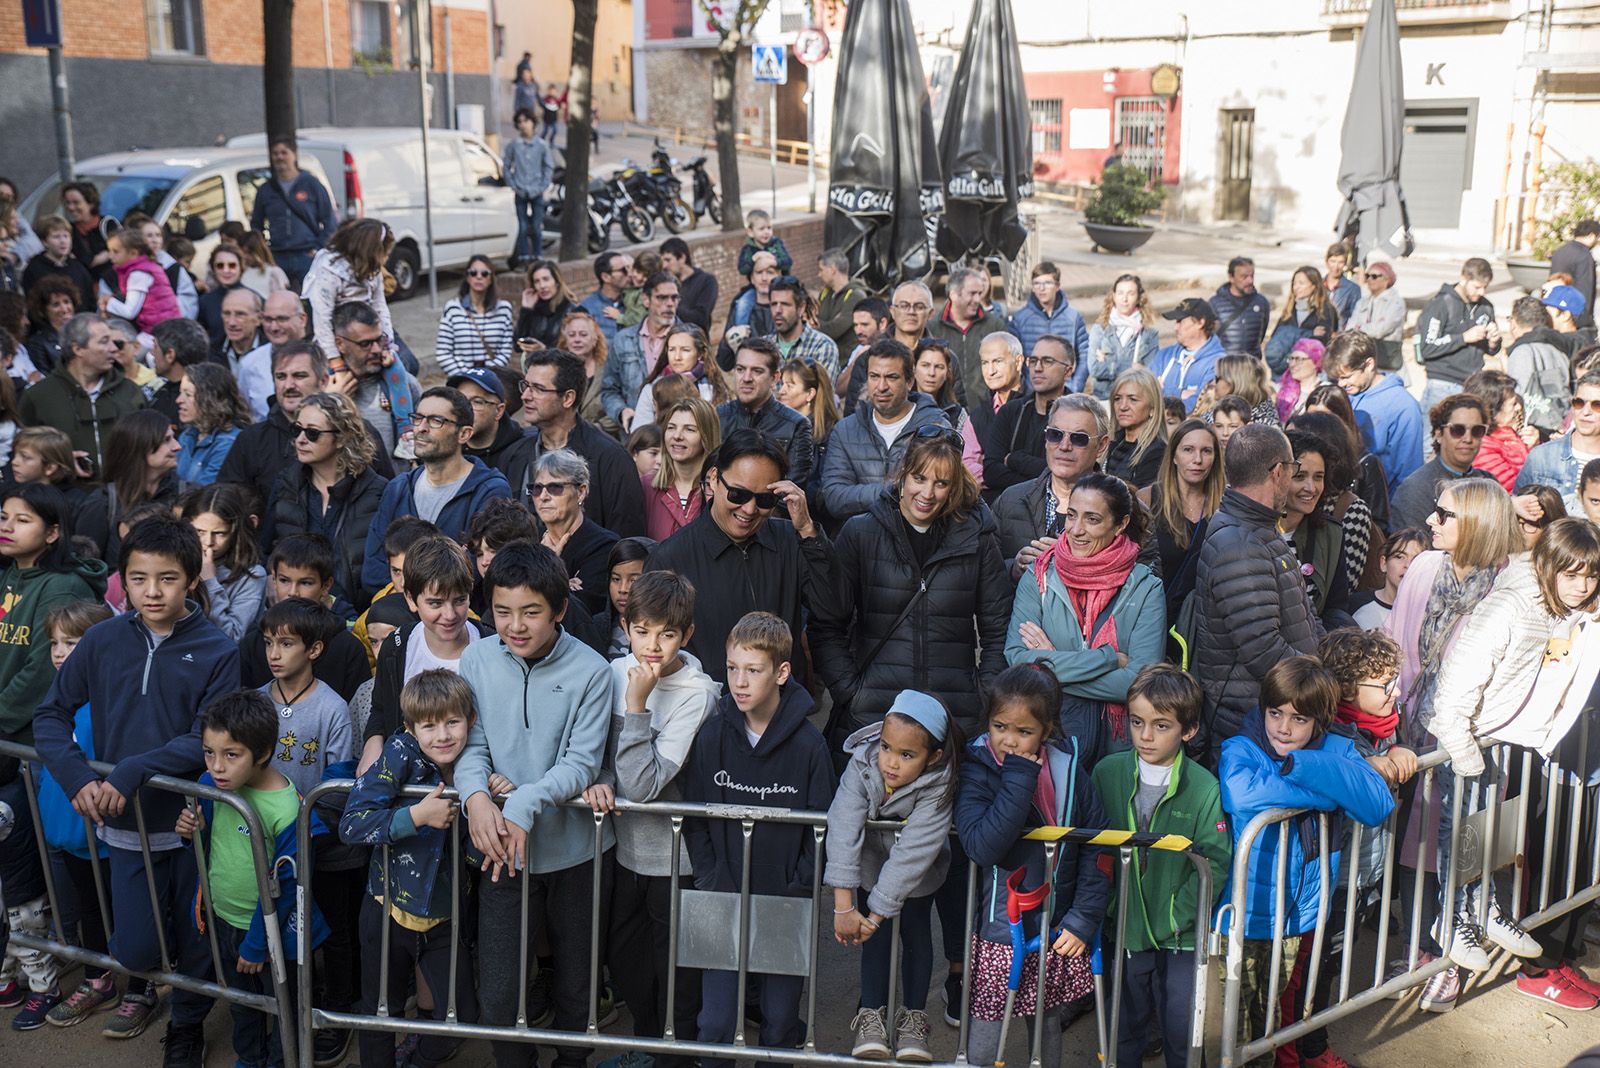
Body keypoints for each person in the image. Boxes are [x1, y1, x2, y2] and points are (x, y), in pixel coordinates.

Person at [32, 514, 239, 1061]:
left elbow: (206, 738)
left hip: (194, 825)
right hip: (125, 830)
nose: (153, 590)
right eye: (140, 577)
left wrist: (129, 771)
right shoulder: (101, 639)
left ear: (192, 579)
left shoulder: (218, 649)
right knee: (138, 950)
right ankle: (144, 988)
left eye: (168, 578)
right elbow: (50, 715)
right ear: (123, 579)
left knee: (198, 944)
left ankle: (188, 1026)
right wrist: (77, 777)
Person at [455, 539, 614, 1068]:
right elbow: (469, 746)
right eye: (502, 611)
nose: (515, 625)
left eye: (530, 612)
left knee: (577, 983)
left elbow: (581, 763)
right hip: (502, 850)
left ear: (559, 610)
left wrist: (520, 803)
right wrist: (475, 797)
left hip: (577, 853)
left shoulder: (592, 670)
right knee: (500, 986)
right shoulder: (476, 657)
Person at [1424, 519, 1600, 987]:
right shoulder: (1512, 603)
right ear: (1548, 566)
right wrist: (1461, 746)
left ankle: (1486, 909)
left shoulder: (1564, 605)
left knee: (1492, 833)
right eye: (1572, 574)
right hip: (1464, 732)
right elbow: (1459, 677)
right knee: (1459, 831)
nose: (1582, 587)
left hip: (1502, 737)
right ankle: (1450, 918)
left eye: (1591, 575)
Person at [1383, 477, 1520, 1010]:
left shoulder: (1511, 586)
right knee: (1414, 851)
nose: (1432, 522)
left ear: (1479, 525)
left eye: (1444, 515)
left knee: (1465, 852)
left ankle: (1451, 961)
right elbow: (1394, 642)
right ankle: (1422, 947)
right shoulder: (1422, 567)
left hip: (1475, 744)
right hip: (1413, 731)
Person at [1217, 657, 1394, 1052]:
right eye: (1275, 713)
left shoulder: (1338, 747)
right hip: (1244, 914)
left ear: (1320, 720)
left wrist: (1303, 766)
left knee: (1269, 1025)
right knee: (1232, 1027)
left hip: (1298, 914)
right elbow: (1242, 793)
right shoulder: (1241, 747)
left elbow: (1376, 803)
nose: (1283, 727)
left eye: (1299, 719)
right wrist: (1330, 791)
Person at [680, 611, 832, 1068]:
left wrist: (799, 885)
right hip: (721, 897)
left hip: (786, 901)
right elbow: (695, 816)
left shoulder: (809, 746)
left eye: (753, 669)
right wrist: (710, 879)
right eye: (732, 668)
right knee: (715, 1022)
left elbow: (822, 829)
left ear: (782, 672)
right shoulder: (712, 735)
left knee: (780, 1022)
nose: (739, 681)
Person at [577, 570, 718, 1061]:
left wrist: (636, 705)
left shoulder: (697, 692)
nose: (653, 646)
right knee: (627, 959)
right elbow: (594, 754)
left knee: (675, 970)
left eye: (667, 634)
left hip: (675, 860)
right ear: (626, 625)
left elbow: (642, 783)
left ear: (687, 634)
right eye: (642, 631)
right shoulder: (612, 673)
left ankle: (673, 1056)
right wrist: (599, 778)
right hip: (623, 850)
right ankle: (649, 1046)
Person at [954, 664, 1107, 1066]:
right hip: (998, 933)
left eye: (1024, 732)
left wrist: (1083, 917)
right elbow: (984, 846)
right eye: (1000, 726)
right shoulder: (977, 768)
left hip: (1056, 930)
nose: (1008, 740)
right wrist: (1019, 775)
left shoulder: (1069, 770)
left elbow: (1100, 847)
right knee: (984, 1045)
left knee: (1046, 1031)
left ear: (1047, 730)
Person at [812, 430, 1010, 741]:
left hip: (952, 717)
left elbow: (998, 628)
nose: (927, 493)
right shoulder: (861, 532)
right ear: (903, 475)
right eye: (920, 478)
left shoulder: (977, 539)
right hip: (874, 715)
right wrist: (849, 692)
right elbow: (827, 622)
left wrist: (983, 696)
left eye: (941, 483)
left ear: (953, 487)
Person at [172, 690, 326, 1068]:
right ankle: (250, 1060)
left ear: (263, 753)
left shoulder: (286, 807)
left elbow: (289, 885)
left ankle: (279, 1061)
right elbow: (206, 841)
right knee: (243, 1005)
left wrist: (258, 944)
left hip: (273, 933)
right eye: (209, 752)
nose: (217, 766)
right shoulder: (210, 785)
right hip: (225, 919)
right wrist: (188, 830)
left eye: (231, 754)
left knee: (283, 1007)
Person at [339, 669, 483, 1068]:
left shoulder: (477, 761)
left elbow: (475, 856)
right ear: (409, 727)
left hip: (446, 917)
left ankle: (418, 1061)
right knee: (379, 1012)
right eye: (429, 725)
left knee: (463, 1016)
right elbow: (351, 823)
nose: (442, 736)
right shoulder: (400, 752)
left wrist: (489, 802)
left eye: (452, 722)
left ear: (470, 720)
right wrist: (416, 815)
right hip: (386, 911)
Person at [1091, 665, 1229, 1068]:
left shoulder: (1204, 787)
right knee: (1125, 1026)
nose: (1145, 735)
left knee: (1182, 1029)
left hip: (1182, 936)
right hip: (1126, 928)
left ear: (1188, 731)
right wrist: (1112, 906)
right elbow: (1094, 853)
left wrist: (1176, 916)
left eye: (1161, 725)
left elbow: (1214, 862)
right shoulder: (1106, 773)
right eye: (1137, 722)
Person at [827, 690, 959, 1062]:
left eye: (906, 755)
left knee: (916, 936)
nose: (891, 763)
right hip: (869, 869)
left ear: (932, 757)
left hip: (917, 878)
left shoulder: (939, 783)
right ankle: (871, 1016)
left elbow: (912, 853)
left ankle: (914, 1020)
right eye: (886, 748)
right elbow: (842, 826)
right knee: (876, 943)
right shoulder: (862, 763)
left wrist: (875, 913)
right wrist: (844, 905)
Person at [645, 431, 833, 684]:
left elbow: (834, 608)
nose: (749, 509)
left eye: (765, 500)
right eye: (738, 494)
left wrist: (809, 532)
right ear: (713, 479)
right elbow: (653, 647)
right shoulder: (669, 558)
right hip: (707, 711)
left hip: (783, 706)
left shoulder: (792, 541)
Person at [1007, 471, 1168, 764]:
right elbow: (1017, 660)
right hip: (1048, 743)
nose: (1076, 529)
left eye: (1092, 519)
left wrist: (1050, 664)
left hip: (1118, 752)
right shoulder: (1039, 575)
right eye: (1072, 515)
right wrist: (1107, 659)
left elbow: (1140, 683)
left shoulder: (1145, 587)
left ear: (1120, 525)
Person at [1193, 424, 1324, 754]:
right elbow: (1264, 650)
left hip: (1275, 715)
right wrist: (1323, 686)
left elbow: (1303, 617)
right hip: (1254, 725)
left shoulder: (1257, 529)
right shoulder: (1240, 543)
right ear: (1278, 472)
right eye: (1294, 469)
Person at [219, 339, 395, 522]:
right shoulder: (251, 440)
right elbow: (227, 506)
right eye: (281, 377)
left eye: (299, 376)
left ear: (323, 380)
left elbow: (388, 499)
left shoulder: (358, 432)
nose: (288, 386)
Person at [361, 387, 511, 593]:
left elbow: (482, 571)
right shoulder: (397, 489)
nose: (421, 428)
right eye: (418, 418)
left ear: (464, 433)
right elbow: (373, 570)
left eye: (435, 421)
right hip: (397, 616)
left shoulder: (489, 491)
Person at [0, 483, 107, 746]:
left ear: (52, 533)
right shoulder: (12, 573)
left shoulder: (63, 587)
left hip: (29, 733)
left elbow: (43, 669)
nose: (7, 527)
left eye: (22, 520)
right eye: (3, 517)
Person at [269, 390, 390, 610]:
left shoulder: (379, 492)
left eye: (313, 433)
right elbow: (266, 548)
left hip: (357, 617)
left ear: (342, 438)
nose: (301, 440)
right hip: (296, 614)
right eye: (297, 430)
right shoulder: (286, 485)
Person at [505, 350, 646, 537]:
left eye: (538, 389)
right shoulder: (515, 454)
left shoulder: (610, 459)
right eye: (526, 386)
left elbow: (626, 539)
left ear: (568, 398)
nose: (525, 396)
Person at [821, 339, 952, 522]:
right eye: (874, 376)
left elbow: (944, 492)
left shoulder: (936, 428)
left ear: (909, 381)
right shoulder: (845, 430)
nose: (881, 387)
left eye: (891, 377)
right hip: (859, 539)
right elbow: (835, 498)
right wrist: (894, 489)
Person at [995, 394, 1110, 577]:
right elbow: (985, 575)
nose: (1064, 446)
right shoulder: (1010, 500)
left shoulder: (1124, 507)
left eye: (1078, 438)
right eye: (1055, 435)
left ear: (1101, 445)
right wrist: (1014, 568)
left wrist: (1077, 565)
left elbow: (1145, 583)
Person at [20, 312, 145, 476]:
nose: (114, 348)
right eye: (104, 341)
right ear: (77, 349)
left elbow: (149, 443)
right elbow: (23, 452)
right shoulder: (39, 397)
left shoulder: (131, 391)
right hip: (65, 495)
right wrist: (57, 460)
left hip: (127, 494)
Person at [1140, 418, 1224, 623]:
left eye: (1206, 451)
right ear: (1174, 456)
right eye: (1188, 449)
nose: (1198, 459)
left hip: (1207, 624)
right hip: (1155, 619)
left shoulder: (1225, 506)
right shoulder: (1146, 500)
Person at [1324, 330, 1425, 496]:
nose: (1341, 384)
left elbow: (1409, 471)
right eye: (1337, 379)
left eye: (1347, 377)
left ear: (1369, 364)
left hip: (1380, 505)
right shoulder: (1348, 393)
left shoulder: (1403, 406)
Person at [1278, 428, 1355, 628]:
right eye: (1300, 476)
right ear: (1278, 476)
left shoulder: (1330, 534)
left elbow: (1335, 608)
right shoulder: (1254, 530)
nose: (1311, 488)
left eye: (1318, 477)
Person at [329, 301, 421, 464]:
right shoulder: (325, 389)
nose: (377, 349)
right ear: (340, 344)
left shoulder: (406, 386)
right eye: (365, 344)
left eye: (379, 340)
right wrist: (331, 405)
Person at [529, 448, 618, 618]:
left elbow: (583, 610)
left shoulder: (604, 546)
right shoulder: (528, 540)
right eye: (537, 488)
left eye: (555, 487)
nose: (543, 496)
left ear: (581, 492)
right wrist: (564, 585)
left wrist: (546, 571)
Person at [716, 336, 814, 485]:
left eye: (757, 371)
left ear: (774, 378)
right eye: (740, 369)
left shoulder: (796, 426)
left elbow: (792, 490)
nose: (746, 378)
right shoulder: (716, 418)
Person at [1390, 393, 1495, 532]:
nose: (1468, 438)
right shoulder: (1415, 489)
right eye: (1457, 430)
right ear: (1439, 434)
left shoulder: (1489, 483)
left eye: (1477, 430)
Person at [985, 335, 1074, 496]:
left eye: (1047, 361)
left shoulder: (1078, 416)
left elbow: (1067, 472)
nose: (1038, 368)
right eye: (1033, 361)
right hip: (1009, 508)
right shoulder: (1011, 411)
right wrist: (1040, 477)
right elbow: (991, 472)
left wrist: (1015, 459)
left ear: (1068, 371)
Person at [179, 483, 268, 641]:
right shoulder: (175, 560)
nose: (208, 542)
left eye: (219, 533)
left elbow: (232, 637)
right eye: (199, 531)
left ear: (235, 532)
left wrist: (210, 582)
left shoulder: (252, 575)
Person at [303, 219, 395, 366]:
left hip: (368, 335)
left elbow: (380, 308)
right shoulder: (329, 272)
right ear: (373, 251)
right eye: (386, 253)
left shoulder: (373, 271)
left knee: (400, 369)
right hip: (337, 342)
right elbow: (322, 319)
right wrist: (335, 360)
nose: (386, 259)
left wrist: (387, 346)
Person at [250, 138, 339, 289]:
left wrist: (318, 248)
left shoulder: (311, 184)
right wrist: (263, 250)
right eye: (275, 153)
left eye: (284, 152)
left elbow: (330, 221)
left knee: (313, 300)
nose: (280, 157)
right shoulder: (266, 189)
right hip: (277, 256)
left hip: (307, 254)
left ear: (294, 155)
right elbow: (256, 224)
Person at [1418, 257, 1502, 408]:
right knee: (1432, 431)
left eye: (1485, 287)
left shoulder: (1486, 307)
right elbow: (1427, 347)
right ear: (1464, 279)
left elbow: (1491, 351)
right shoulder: (1441, 303)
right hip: (1442, 382)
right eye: (1477, 287)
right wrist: (1463, 338)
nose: (1481, 292)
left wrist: (1493, 342)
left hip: (1471, 385)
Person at [605, 271, 681, 432]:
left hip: (677, 434)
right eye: (661, 298)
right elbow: (609, 389)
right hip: (636, 436)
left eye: (674, 298)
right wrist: (621, 411)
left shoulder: (689, 339)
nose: (669, 304)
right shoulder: (623, 340)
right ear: (646, 300)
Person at [927, 266, 1010, 405]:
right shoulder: (932, 328)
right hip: (945, 411)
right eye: (972, 293)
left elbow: (1008, 370)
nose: (978, 299)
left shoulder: (995, 327)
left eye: (979, 293)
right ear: (953, 294)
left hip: (985, 411)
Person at [1519, 371, 1600, 506]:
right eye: (1579, 403)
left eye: (1597, 405)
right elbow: (1518, 510)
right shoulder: (1542, 457)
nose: (1585, 412)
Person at [644, 396, 718, 542]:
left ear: (706, 436)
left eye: (689, 429)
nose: (677, 436)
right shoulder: (645, 486)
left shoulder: (720, 490)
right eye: (671, 428)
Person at [634, 324, 728, 428]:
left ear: (700, 353)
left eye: (685, 350)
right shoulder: (652, 389)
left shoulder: (715, 389)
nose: (677, 357)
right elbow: (640, 434)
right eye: (672, 349)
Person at [1505, 293, 1573, 435]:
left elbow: (1518, 396)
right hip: (1559, 427)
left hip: (1530, 431)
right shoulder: (1558, 351)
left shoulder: (1522, 352)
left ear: (1514, 323)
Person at [174, 363, 251, 487]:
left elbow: (204, 493)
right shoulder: (187, 435)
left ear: (211, 399)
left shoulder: (229, 442)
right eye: (180, 393)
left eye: (188, 395)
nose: (179, 400)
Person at [437, 254, 516, 375]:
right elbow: (443, 352)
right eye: (473, 273)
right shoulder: (453, 308)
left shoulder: (503, 309)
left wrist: (486, 376)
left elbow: (505, 350)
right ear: (467, 277)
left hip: (492, 378)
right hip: (460, 379)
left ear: (491, 278)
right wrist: (466, 377)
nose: (479, 277)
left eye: (484, 273)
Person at [237, 289, 309, 420]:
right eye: (268, 320)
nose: (274, 327)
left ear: (302, 319)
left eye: (282, 319)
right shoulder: (249, 364)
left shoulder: (326, 357)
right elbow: (245, 416)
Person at [1086, 273, 1159, 401]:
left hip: (1135, 400)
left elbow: (1150, 373)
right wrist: (1132, 367)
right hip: (1104, 398)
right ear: (1113, 296)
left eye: (1130, 294)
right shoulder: (1100, 330)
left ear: (1138, 298)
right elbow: (1094, 368)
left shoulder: (1148, 334)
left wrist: (1109, 364)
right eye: (1120, 293)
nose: (1124, 299)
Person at [1147, 297, 1224, 413]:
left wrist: (1162, 391)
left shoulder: (1218, 362)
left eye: (1180, 321)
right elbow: (1145, 393)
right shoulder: (1164, 356)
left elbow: (1202, 404)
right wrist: (1182, 393)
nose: (1175, 327)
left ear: (1200, 322)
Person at [504, 108, 556, 267]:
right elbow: (506, 166)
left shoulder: (541, 145)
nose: (522, 125)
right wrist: (513, 185)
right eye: (519, 122)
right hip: (520, 190)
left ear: (533, 123)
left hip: (536, 190)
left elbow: (548, 167)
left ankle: (538, 256)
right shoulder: (514, 145)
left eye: (525, 121)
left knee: (536, 226)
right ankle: (524, 257)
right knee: (522, 226)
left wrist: (542, 186)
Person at [450, 366, 525, 476]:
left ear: (499, 410)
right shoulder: (445, 446)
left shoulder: (522, 451)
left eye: (477, 402)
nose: (466, 409)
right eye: (460, 400)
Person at [1264, 265, 1339, 375]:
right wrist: (1308, 333)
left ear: (1313, 286)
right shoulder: (1289, 310)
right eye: (1294, 283)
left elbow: (1319, 342)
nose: (1296, 287)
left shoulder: (1325, 310)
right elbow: (1277, 339)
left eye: (1301, 283)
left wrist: (1291, 336)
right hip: (1284, 369)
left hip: (1310, 371)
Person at [1470, 371, 1536, 491]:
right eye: (1513, 404)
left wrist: (1535, 448)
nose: (1518, 407)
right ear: (1492, 410)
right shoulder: (1483, 448)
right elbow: (1513, 490)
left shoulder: (1508, 436)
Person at [1351, 527, 1426, 631]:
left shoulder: (1427, 614)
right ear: (1384, 563)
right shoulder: (1355, 604)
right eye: (1399, 557)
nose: (1407, 565)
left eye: (1416, 559)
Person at [1104, 367, 1166, 488]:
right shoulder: (1112, 443)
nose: (1122, 406)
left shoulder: (1158, 452)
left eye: (1133, 399)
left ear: (1153, 407)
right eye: (1117, 399)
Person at [22, 216, 95, 310]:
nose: (63, 241)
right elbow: (33, 305)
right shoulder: (34, 269)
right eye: (56, 237)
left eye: (66, 236)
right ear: (45, 242)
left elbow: (90, 300)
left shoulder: (78, 267)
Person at [1346, 260, 1406, 369]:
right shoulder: (1363, 301)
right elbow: (1349, 327)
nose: (1369, 279)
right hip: (1363, 359)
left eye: (1374, 276)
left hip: (1386, 361)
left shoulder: (1396, 303)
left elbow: (1380, 330)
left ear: (1386, 280)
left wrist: (1359, 328)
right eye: (1367, 276)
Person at [1210, 256, 1273, 358]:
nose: (1250, 281)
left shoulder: (1261, 302)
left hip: (1252, 367)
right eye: (1244, 277)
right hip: (1225, 367)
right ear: (1231, 277)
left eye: (1252, 276)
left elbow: (1261, 334)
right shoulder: (1215, 304)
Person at [22, 274, 78, 378]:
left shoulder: (85, 332)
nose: (64, 309)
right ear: (43, 311)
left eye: (67, 302)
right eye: (56, 304)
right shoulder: (38, 343)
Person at [515, 259, 578, 350]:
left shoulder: (572, 310)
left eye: (546, 279)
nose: (542, 286)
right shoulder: (534, 309)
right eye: (537, 281)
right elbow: (517, 347)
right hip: (535, 363)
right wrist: (526, 309)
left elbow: (576, 349)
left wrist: (544, 349)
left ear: (556, 282)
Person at [661, 237, 718, 334]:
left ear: (682, 258)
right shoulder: (665, 282)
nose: (664, 266)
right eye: (663, 261)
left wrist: (670, 307)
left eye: (668, 260)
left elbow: (700, 318)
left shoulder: (706, 281)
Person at [1549, 219, 1599, 329]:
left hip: (1555, 311)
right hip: (1574, 317)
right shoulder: (1584, 256)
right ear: (1591, 236)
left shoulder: (1560, 251)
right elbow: (1586, 289)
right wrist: (1586, 322)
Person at [59, 181, 111, 284]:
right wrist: (106, 254)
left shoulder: (109, 224)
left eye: (76, 202)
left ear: (91, 203)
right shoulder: (67, 231)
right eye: (67, 203)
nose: (71, 207)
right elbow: (84, 262)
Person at [196, 244, 248, 347]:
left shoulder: (255, 299)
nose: (226, 270)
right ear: (213, 269)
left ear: (240, 267)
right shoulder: (205, 301)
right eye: (220, 266)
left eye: (232, 265)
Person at [580, 251, 631, 345]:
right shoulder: (587, 309)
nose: (629, 274)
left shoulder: (635, 302)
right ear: (606, 277)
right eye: (624, 270)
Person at [812, 247, 858, 350]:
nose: (819, 275)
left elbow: (835, 330)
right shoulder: (825, 293)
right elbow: (813, 319)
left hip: (844, 359)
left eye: (821, 270)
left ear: (832, 270)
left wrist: (817, 324)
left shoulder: (856, 296)